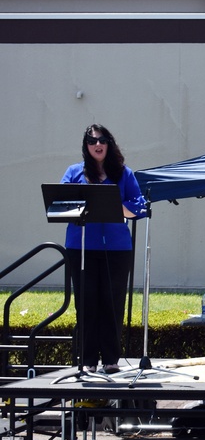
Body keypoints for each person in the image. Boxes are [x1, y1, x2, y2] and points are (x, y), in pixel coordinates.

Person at [61, 124, 147, 374]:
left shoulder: (123, 173)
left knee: (112, 302)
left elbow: (139, 207)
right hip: (81, 247)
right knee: (86, 303)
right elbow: (60, 203)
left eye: (102, 140)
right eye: (92, 141)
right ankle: (87, 360)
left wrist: (113, 206)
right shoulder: (74, 172)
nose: (97, 145)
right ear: (86, 146)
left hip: (117, 249)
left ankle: (111, 359)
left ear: (109, 144)